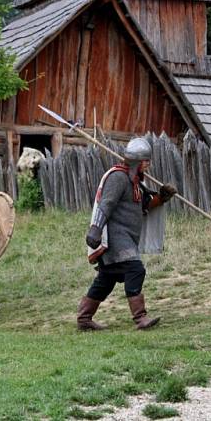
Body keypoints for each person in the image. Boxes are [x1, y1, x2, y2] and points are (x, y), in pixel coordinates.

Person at [77, 137, 176, 331]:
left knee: (106, 280)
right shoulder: (118, 177)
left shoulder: (134, 181)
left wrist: (162, 197)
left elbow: (144, 205)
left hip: (127, 237)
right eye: (145, 161)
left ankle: (84, 318)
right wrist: (95, 229)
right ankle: (140, 318)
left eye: (148, 160)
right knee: (135, 269)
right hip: (115, 237)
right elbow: (106, 203)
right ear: (136, 161)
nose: (148, 164)